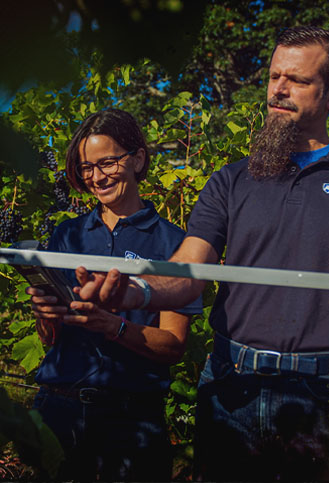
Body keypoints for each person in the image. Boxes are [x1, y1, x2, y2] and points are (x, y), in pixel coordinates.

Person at [74, 27, 329, 480]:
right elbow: (188, 270)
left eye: (297, 80)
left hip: (327, 395)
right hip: (230, 387)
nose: (278, 89)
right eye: (274, 76)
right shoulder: (231, 181)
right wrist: (136, 290)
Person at [26, 108, 202, 481]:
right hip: (59, 411)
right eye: (86, 168)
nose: (96, 177)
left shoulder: (174, 243)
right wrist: (46, 315)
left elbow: (173, 345)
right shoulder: (67, 236)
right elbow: (51, 340)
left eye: (106, 162)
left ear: (137, 159)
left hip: (131, 422)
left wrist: (113, 326)